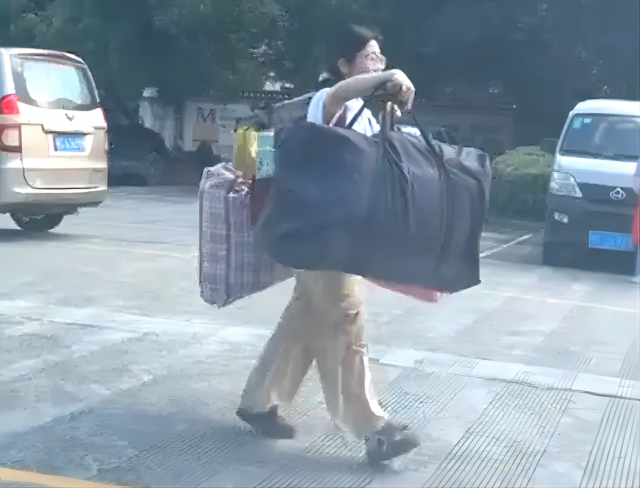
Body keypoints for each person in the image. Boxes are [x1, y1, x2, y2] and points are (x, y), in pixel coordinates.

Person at [236, 24, 419, 463]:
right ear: (344, 64)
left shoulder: (367, 112)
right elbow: (338, 96)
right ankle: (373, 428)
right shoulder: (328, 101)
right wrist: (387, 77)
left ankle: (258, 402)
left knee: (304, 319)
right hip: (320, 235)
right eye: (370, 57)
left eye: (381, 57)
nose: (378, 63)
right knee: (345, 321)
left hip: (343, 233)